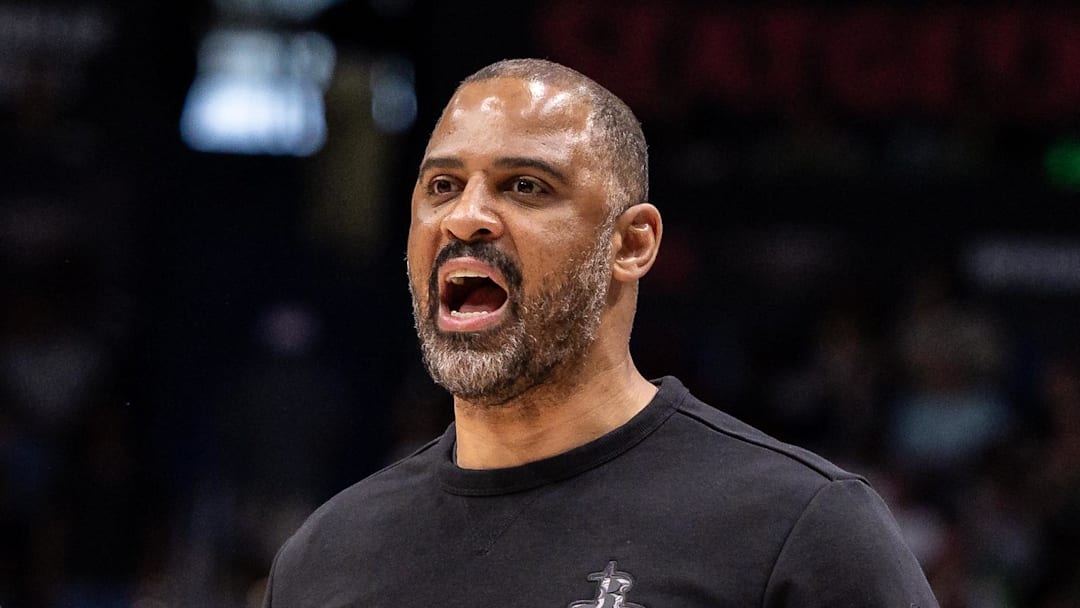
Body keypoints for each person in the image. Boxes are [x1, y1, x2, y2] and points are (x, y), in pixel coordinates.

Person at [262, 58, 939, 607]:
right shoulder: (327, 556)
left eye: (524, 186)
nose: (466, 217)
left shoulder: (802, 530)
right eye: (442, 186)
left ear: (632, 243)